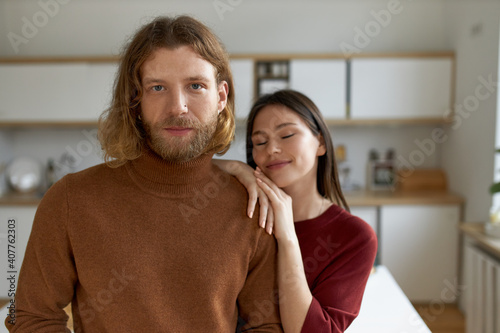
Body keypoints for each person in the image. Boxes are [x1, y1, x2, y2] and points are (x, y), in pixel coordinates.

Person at [6, 16, 283, 333]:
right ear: (134, 100)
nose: (177, 106)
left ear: (221, 97)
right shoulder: (70, 200)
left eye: (195, 86)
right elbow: (29, 317)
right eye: (157, 87)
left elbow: (267, 325)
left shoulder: (250, 205)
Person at [216, 89, 377, 332]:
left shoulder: (354, 237)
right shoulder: (244, 212)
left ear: (320, 143)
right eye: (260, 142)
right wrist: (235, 167)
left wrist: (288, 236)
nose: (271, 149)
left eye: (287, 135)